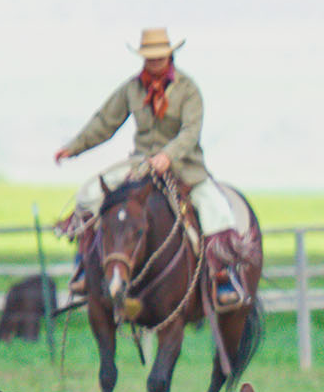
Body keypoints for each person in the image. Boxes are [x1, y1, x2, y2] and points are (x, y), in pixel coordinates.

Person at [54, 27, 245, 308]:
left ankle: (222, 277)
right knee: (89, 193)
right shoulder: (132, 88)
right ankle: (86, 265)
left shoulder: (188, 89)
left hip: (186, 166)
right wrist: (75, 146)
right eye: (149, 57)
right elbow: (105, 121)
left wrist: (168, 155)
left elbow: (191, 132)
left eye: (159, 57)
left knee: (217, 210)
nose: (154, 62)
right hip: (140, 164)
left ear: (169, 56)